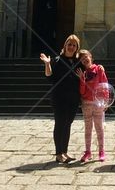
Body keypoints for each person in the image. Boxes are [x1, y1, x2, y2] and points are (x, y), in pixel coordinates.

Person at [40, 34, 81, 163]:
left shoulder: (77, 62)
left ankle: (64, 152)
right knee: (60, 124)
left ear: (77, 48)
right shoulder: (58, 60)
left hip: (73, 98)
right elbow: (50, 77)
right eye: (69, 44)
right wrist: (47, 64)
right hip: (59, 97)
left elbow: (84, 77)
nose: (71, 47)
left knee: (68, 124)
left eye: (74, 45)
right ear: (65, 45)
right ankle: (58, 153)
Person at [76, 49, 108, 162]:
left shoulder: (99, 69)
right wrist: (82, 79)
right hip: (86, 103)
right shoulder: (82, 72)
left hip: (98, 102)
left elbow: (105, 84)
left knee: (99, 127)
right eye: (82, 58)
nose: (84, 59)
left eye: (86, 56)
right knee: (88, 128)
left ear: (91, 57)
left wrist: (106, 100)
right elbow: (82, 92)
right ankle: (88, 151)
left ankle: (101, 151)